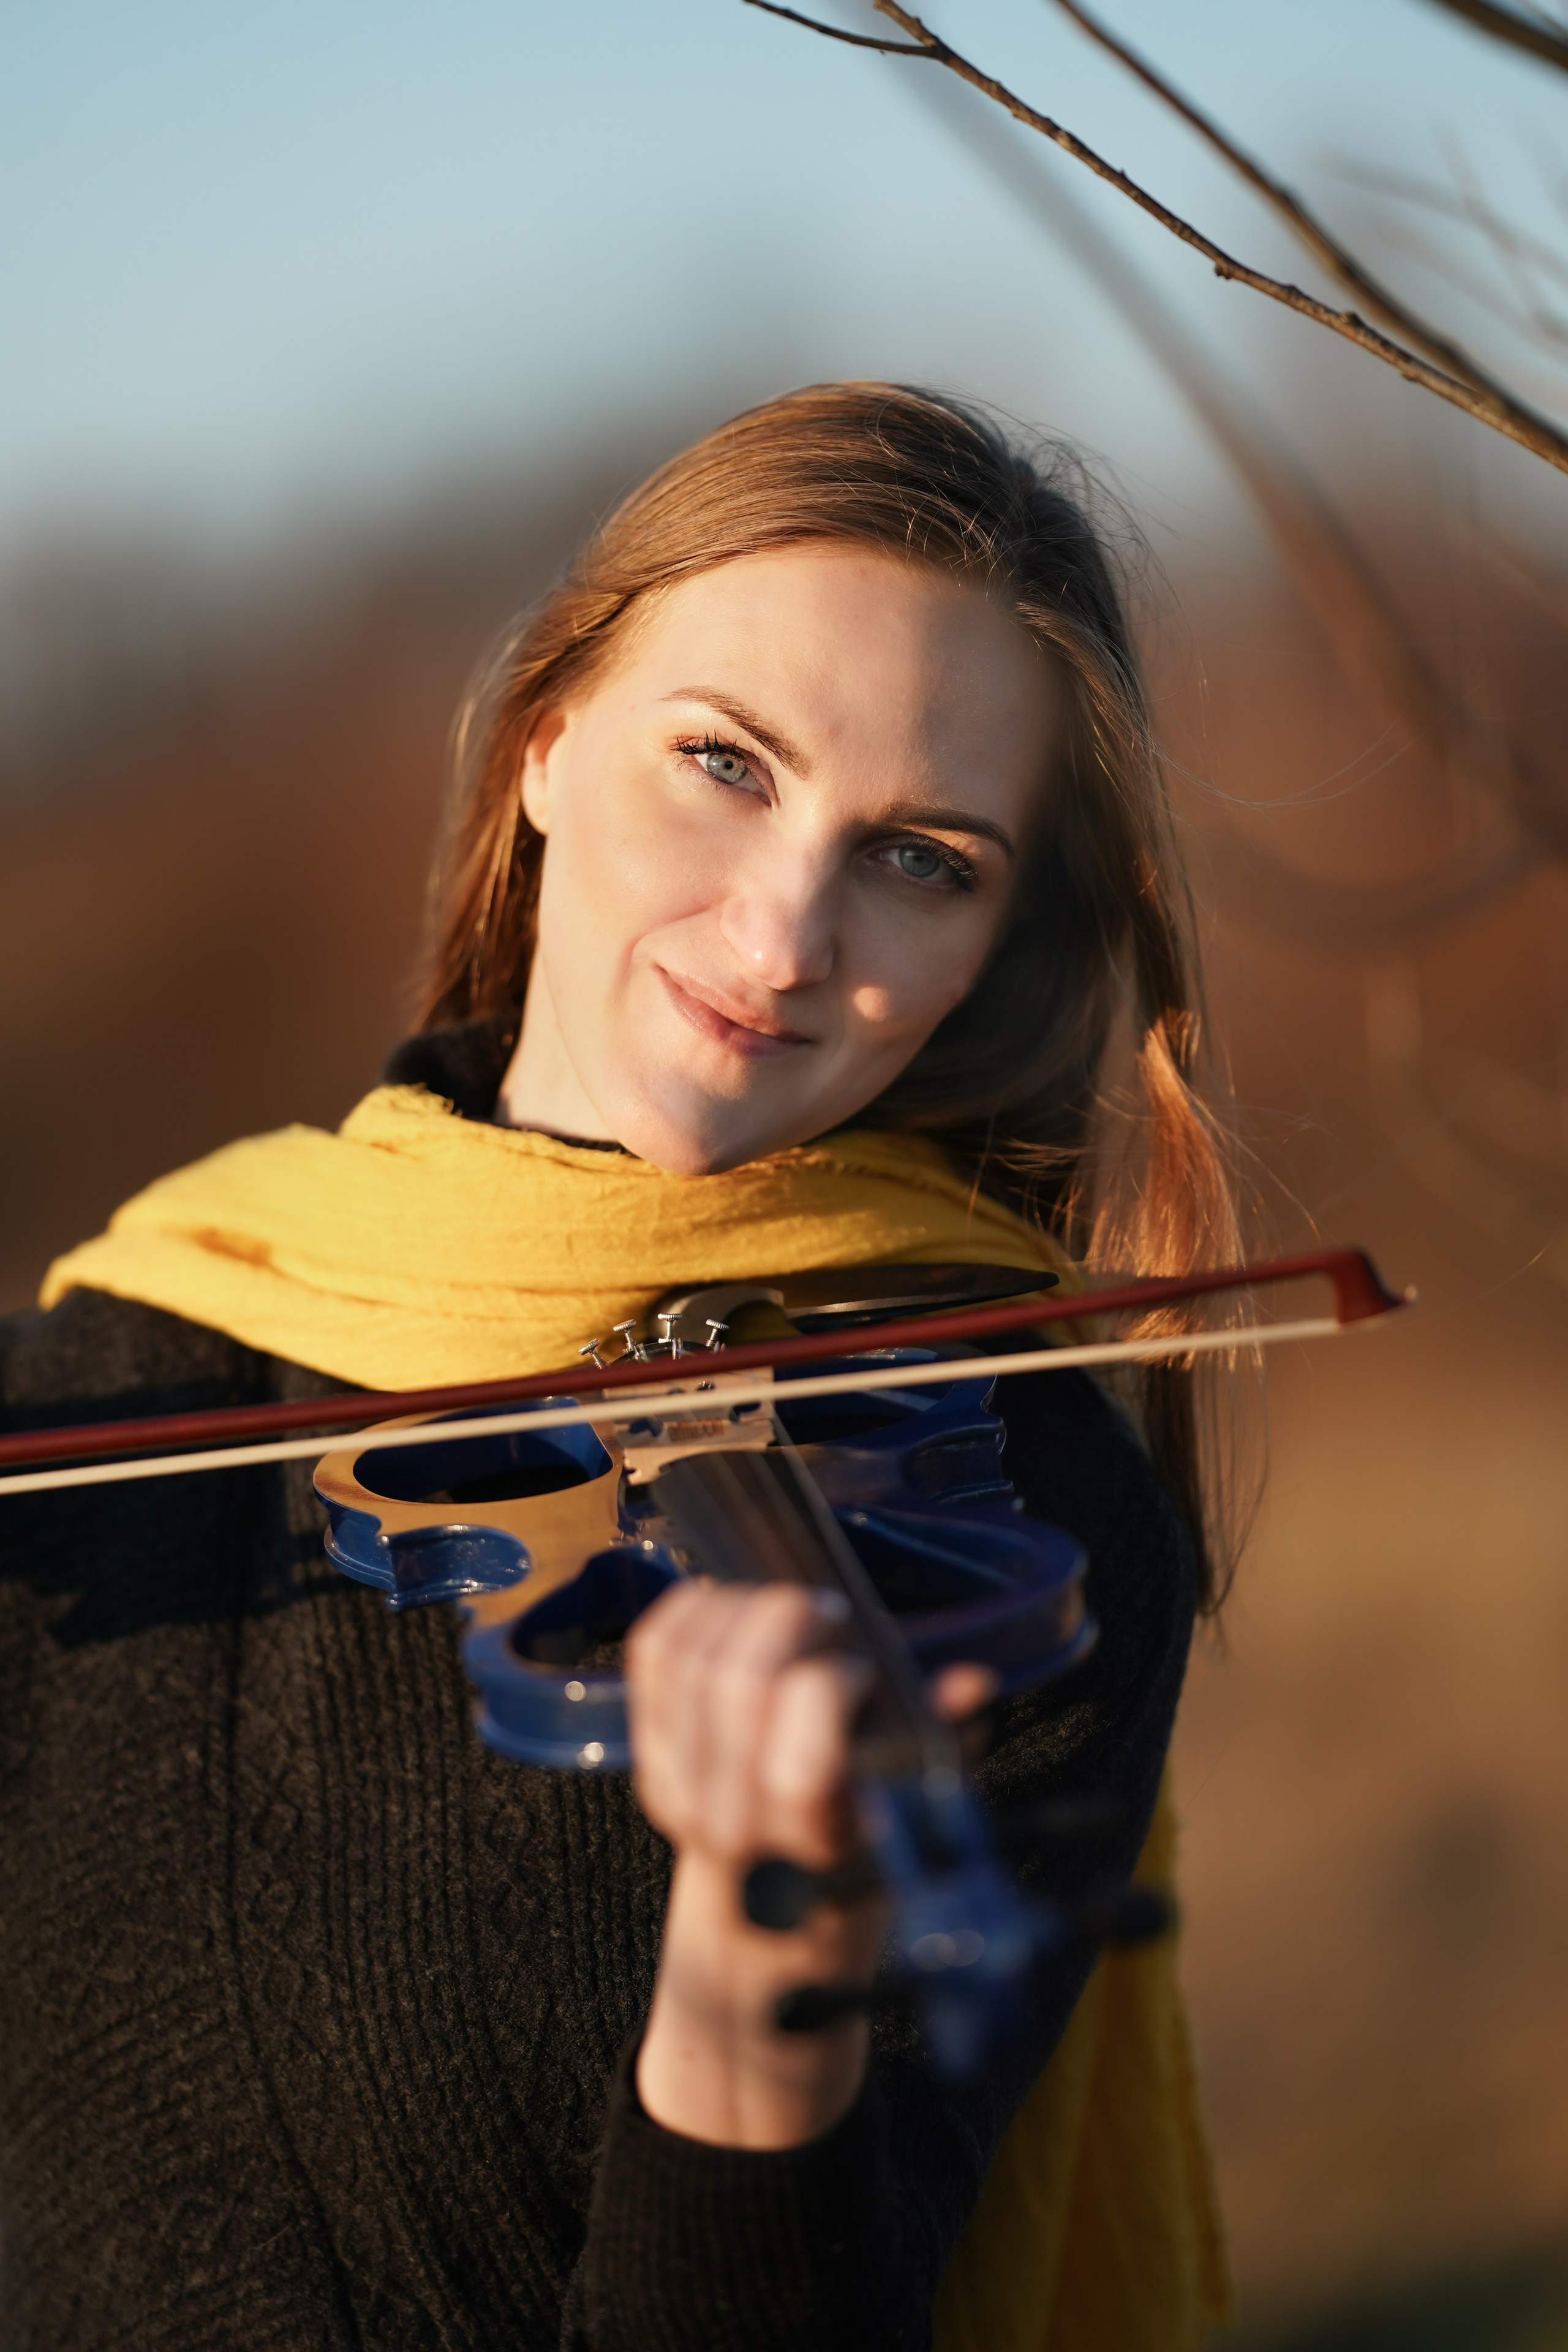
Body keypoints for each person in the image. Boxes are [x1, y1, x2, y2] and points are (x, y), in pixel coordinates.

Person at [1, 383, 1237, 2350]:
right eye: (725, 763)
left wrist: (766, 1993)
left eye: (921, 858)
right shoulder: (129, 1359)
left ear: (995, 941)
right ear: (551, 740)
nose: (780, 929)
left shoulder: (1007, 1507)